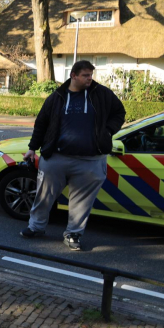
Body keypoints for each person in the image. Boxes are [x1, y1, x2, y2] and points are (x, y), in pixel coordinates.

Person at [20, 60, 126, 251]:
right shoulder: (57, 97)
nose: (89, 79)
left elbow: (119, 112)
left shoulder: (102, 94)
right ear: (73, 75)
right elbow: (41, 123)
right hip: (56, 158)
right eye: (85, 75)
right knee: (44, 195)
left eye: (91, 75)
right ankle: (35, 227)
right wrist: (32, 147)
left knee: (82, 201)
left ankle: (73, 234)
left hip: (91, 160)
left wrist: (107, 131)